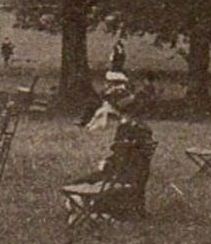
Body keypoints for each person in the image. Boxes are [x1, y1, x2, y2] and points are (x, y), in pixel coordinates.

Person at [61, 92, 156, 221]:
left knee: (74, 184)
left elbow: (121, 155)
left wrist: (106, 163)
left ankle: (90, 212)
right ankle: (95, 211)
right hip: (135, 177)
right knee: (87, 179)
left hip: (118, 176)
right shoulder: (145, 130)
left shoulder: (126, 129)